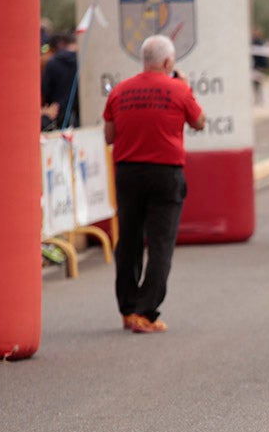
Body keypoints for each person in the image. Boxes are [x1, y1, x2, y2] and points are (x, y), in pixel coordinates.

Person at [102, 34, 206, 334]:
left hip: (127, 173)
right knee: (160, 245)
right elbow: (199, 122)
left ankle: (127, 309)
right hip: (165, 173)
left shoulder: (120, 91)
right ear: (168, 62)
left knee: (129, 242)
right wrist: (185, 85)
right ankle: (145, 313)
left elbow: (109, 136)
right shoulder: (179, 89)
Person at [41, 32, 80, 129]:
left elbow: (44, 91)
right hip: (79, 115)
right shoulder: (82, 60)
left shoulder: (51, 63)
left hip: (56, 115)